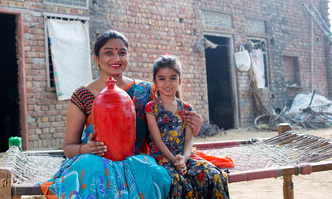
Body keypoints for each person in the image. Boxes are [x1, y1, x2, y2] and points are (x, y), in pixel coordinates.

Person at [40, 30, 203, 199]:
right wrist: (86, 149)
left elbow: (168, 129)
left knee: (153, 173)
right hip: (95, 163)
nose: (116, 59)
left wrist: (191, 126)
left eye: (122, 53)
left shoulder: (146, 91)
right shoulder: (82, 96)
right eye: (108, 53)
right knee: (95, 176)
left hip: (137, 162)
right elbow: (68, 147)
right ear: (96, 58)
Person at [145, 55, 230, 199]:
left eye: (173, 78)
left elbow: (189, 140)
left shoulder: (186, 108)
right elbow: (157, 140)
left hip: (184, 156)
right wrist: (174, 161)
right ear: (154, 81)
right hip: (162, 157)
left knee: (214, 175)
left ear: (180, 80)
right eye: (162, 78)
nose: (168, 83)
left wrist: (183, 160)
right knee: (177, 181)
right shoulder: (151, 108)